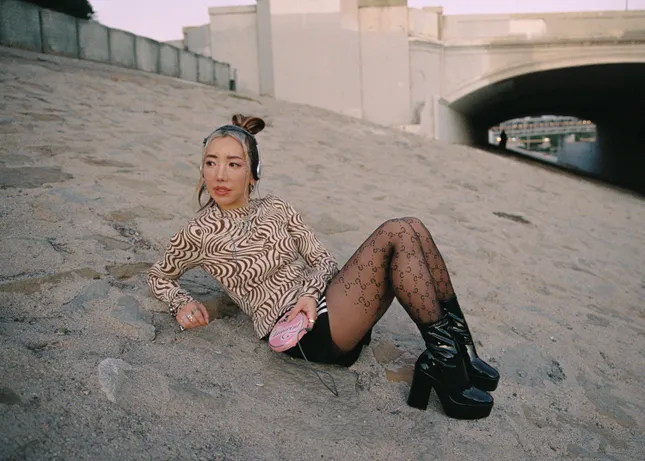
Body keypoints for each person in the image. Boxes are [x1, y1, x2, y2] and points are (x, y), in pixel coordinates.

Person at [147, 114, 499, 420]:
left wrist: (309, 294)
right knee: (396, 231)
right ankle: (448, 366)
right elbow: (159, 275)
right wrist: (182, 303)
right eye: (211, 163)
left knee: (413, 227)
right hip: (302, 332)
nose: (220, 175)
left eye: (233, 164)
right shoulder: (197, 232)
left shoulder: (277, 207)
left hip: (325, 301)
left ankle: (460, 352)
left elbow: (323, 260)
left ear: (253, 174)